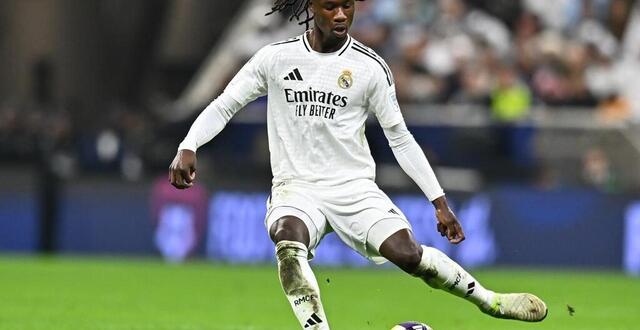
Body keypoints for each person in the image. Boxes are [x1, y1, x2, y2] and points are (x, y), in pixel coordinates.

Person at [169, 0, 548, 328]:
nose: (340, 14)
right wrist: (189, 145)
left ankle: (490, 301)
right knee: (288, 240)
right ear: (310, 7)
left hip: (354, 187)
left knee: (408, 254)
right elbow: (225, 104)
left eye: (347, 6)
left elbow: (400, 138)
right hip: (296, 187)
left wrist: (439, 201)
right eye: (330, 6)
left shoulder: (370, 68)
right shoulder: (276, 58)